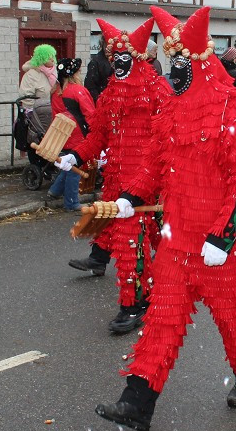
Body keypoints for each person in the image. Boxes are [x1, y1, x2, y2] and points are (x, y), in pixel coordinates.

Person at [96, 5, 236, 431]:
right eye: (173, 63)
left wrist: (224, 237)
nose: (175, 70)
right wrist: (131, 197)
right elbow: (154, 165)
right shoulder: (170, 109)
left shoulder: (233, 110)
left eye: (181, 63)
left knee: (232, 320)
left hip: (216, 246)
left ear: (200, 62)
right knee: (161, 321)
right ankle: (136, 403)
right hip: (175, 241)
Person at [56, 19, 172, 333]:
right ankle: (140, 299)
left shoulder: (156, 89)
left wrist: (151, 180)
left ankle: (134, 305)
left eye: (124, 58)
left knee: (138, 242)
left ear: (136, 58)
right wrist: (76, 155)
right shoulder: (109, 94)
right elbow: (99, 136)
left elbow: (167, 140)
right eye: (113, 58)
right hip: (116, 181)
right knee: (131, 241)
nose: (118, 64)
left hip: (145, 183)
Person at [46, 58, 95, 211]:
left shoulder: (55, 91)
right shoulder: (78, 91)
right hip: (78, 135)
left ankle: (55, 190)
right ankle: (71, 202)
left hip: (62, 134)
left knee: (68, 165)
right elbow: (90, 114)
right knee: (75, 167)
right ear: (74, 74)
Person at [18, 44, 57, 134]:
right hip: (39, 115)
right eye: (48, 57)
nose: (52, 59)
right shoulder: (32, 74)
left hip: (54, 113)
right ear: (41, 59)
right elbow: (26, 96)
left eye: (53, 56)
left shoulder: (55, 72)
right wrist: (32, 115)